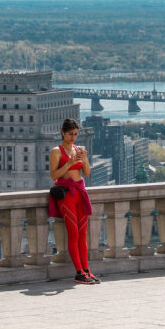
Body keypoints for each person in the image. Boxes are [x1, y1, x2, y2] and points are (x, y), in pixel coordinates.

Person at [48, 118, 99, 284]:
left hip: (80, 192)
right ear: (63, 132)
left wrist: (84, 159)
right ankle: (78, 271)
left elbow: (87, 172)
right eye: (70, 134)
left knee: (83, 234)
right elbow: (54, 175)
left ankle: (87, 270)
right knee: (74, 232)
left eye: (76, 134)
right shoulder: (57, 151)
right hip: (66, 194)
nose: (73, 137)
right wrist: (69, 163)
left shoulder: (78, 149)